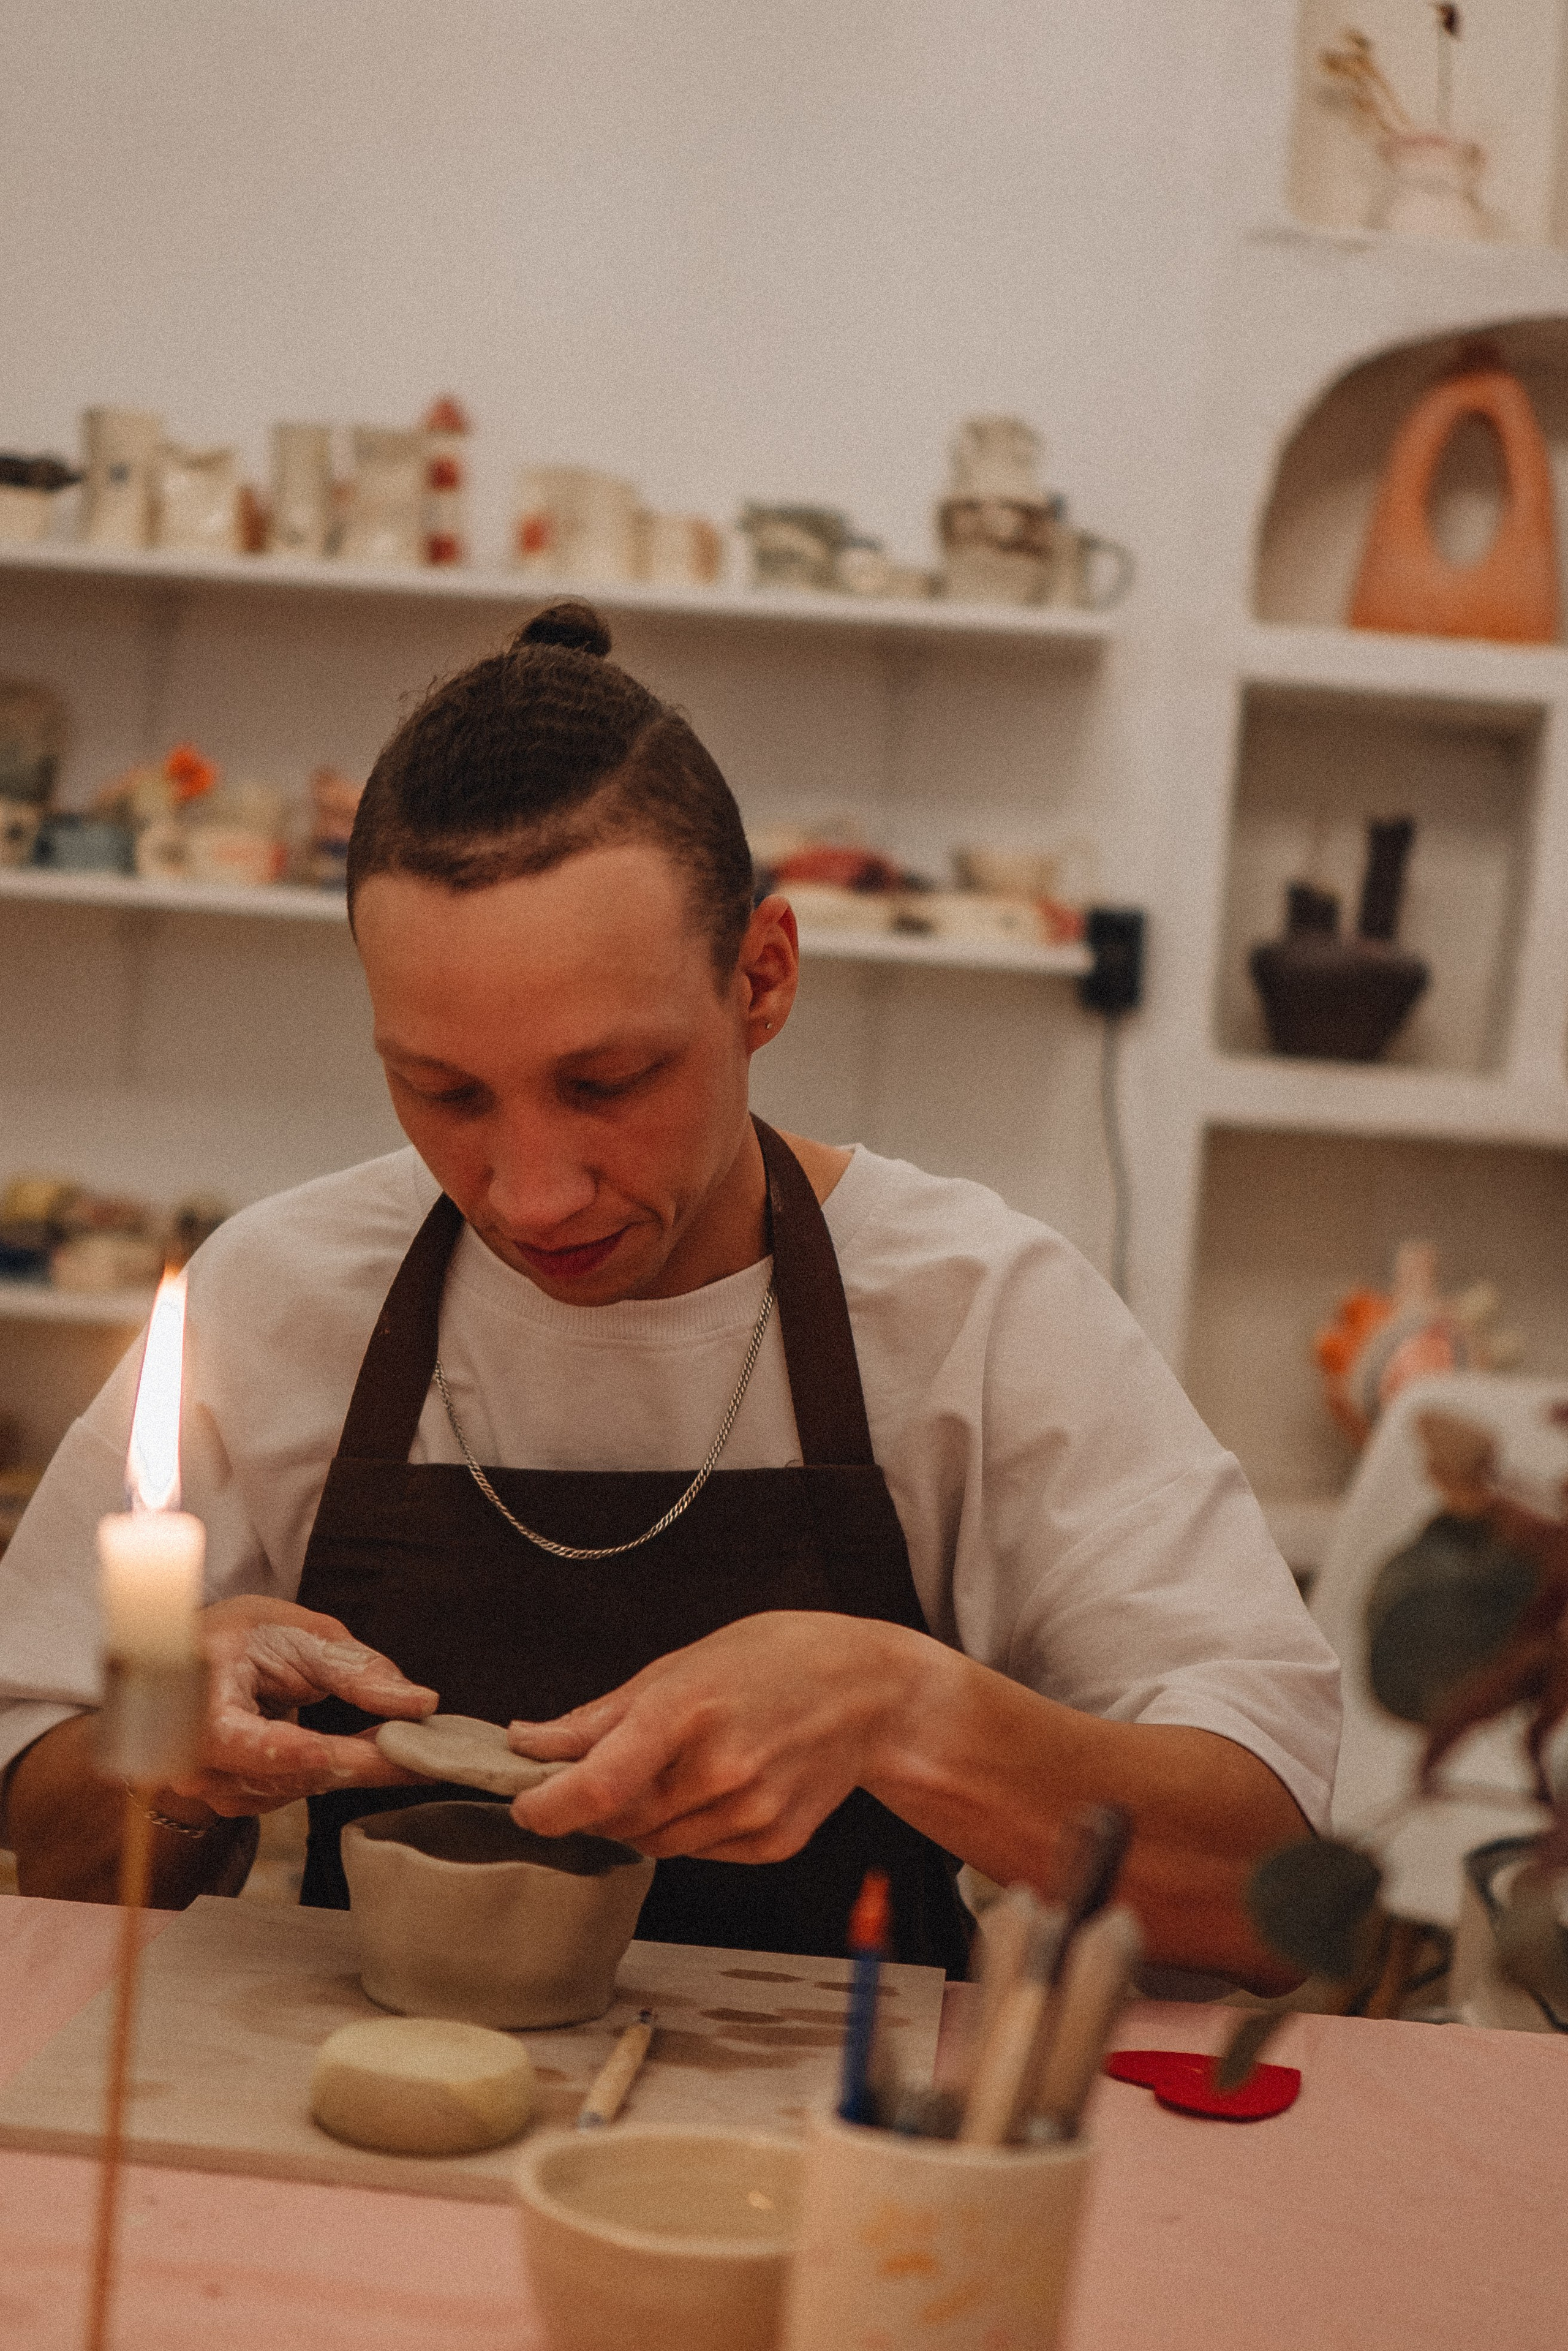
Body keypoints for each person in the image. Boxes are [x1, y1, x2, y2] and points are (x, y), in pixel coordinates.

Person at [0, 603, 1338, 1984]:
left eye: (606, 1084)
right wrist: (163, 1740)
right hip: (370, 2127)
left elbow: (1267, 1885)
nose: (529, 1194)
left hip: (833, 2159)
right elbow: (53, 1861)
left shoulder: (972, 1312)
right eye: (443, 1091)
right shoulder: (280, 1299)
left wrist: (901, 1706)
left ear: (760, 977)